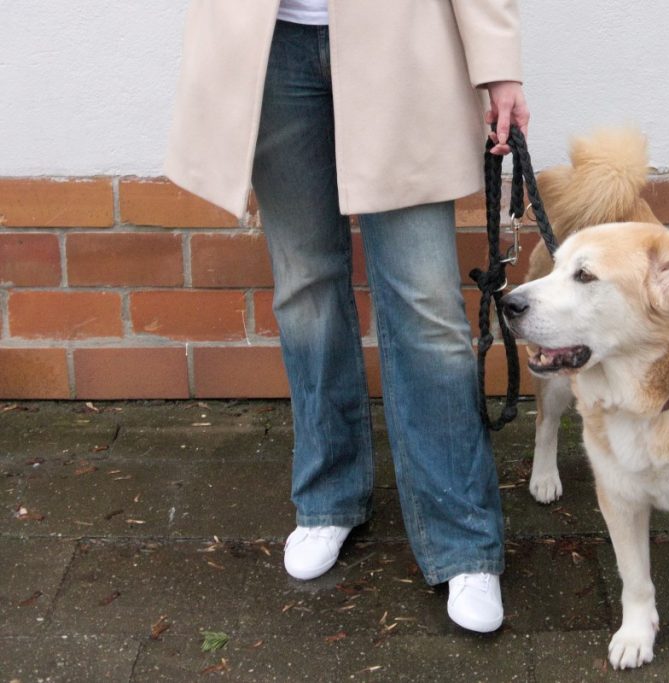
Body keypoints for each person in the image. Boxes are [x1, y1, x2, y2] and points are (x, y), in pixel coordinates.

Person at [165, 0, 529, 633]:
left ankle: (464, 539)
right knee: (304, 284)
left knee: (426, 305)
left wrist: (499, 65)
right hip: (270, 45)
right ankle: (328, 497)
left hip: (402, 41)